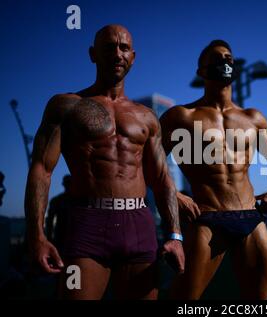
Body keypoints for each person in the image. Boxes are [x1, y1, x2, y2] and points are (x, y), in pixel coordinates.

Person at [24, 24, 184, 300]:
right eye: (109, 47)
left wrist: (175, 235)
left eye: (124, 48)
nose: (117, 53)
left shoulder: (146, 117)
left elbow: (161, 179)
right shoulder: (66, 105)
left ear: (133, 57)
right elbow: (42, 170)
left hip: (139, 224)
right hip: (88, 224)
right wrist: (36, 235)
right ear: (92, 54)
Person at [160, 40, 267, 299]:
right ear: (201, 71)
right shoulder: (181, 116)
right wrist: (174, 194)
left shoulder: (254, 118)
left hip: (250, 216)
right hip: (207, 217)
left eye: (229, 58)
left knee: (259, 301)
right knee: (185, 300)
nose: (225, 62)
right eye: (217, 59)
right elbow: (149, 164)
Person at [46, 175, 72, 251]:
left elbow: (49, 221)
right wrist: (49, 238)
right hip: (61, 238)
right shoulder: (57, 201)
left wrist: (49, 238)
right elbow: (49, 221)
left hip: (64, 238)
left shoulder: (56, 200)